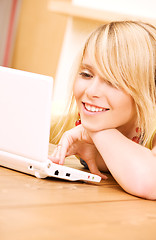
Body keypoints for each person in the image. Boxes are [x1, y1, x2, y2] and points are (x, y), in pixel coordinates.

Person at [49, 21, 156, 200]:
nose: (91, 92)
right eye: (86, 74)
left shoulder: (152, 132)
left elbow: (150, 184)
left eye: (113, 82)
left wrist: (96, 132)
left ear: (151, 94)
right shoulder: (65, 122)